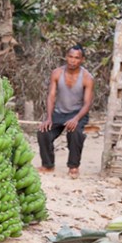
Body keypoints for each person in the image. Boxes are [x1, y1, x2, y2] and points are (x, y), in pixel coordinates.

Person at [37, 44, 94, 179]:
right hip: (59, 113)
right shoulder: (57, 73)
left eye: (76, 58)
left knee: (75, 133)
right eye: (70, 57)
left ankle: (73, 166)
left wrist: (76, 119)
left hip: (77, 113)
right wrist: (49, 117)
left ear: (82, 60)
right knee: (43, 131)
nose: (73, 60)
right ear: (66, 57)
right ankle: (48, 165)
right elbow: (51, 96)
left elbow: (87, 103)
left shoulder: (87, 77)